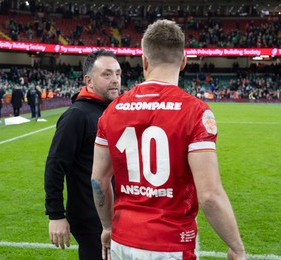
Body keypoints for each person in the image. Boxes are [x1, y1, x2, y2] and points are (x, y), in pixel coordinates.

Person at [91, 20, 246, 260]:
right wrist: (236, 247)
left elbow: (99, 180)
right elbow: (210, 195)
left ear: (144, 61)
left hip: (124, 239)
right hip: (171, 244)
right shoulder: (195, 112)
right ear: (183, 62)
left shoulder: (112, 110)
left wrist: (107, 227)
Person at [44, 49, 122, 260]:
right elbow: (55, 165)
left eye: (118, 73)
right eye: (107, 74)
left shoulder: (116, 111)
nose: (115, 80)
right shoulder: (76, 116)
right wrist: (56, 215)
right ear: (89, 80)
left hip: (118, 216)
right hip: (92, 221)